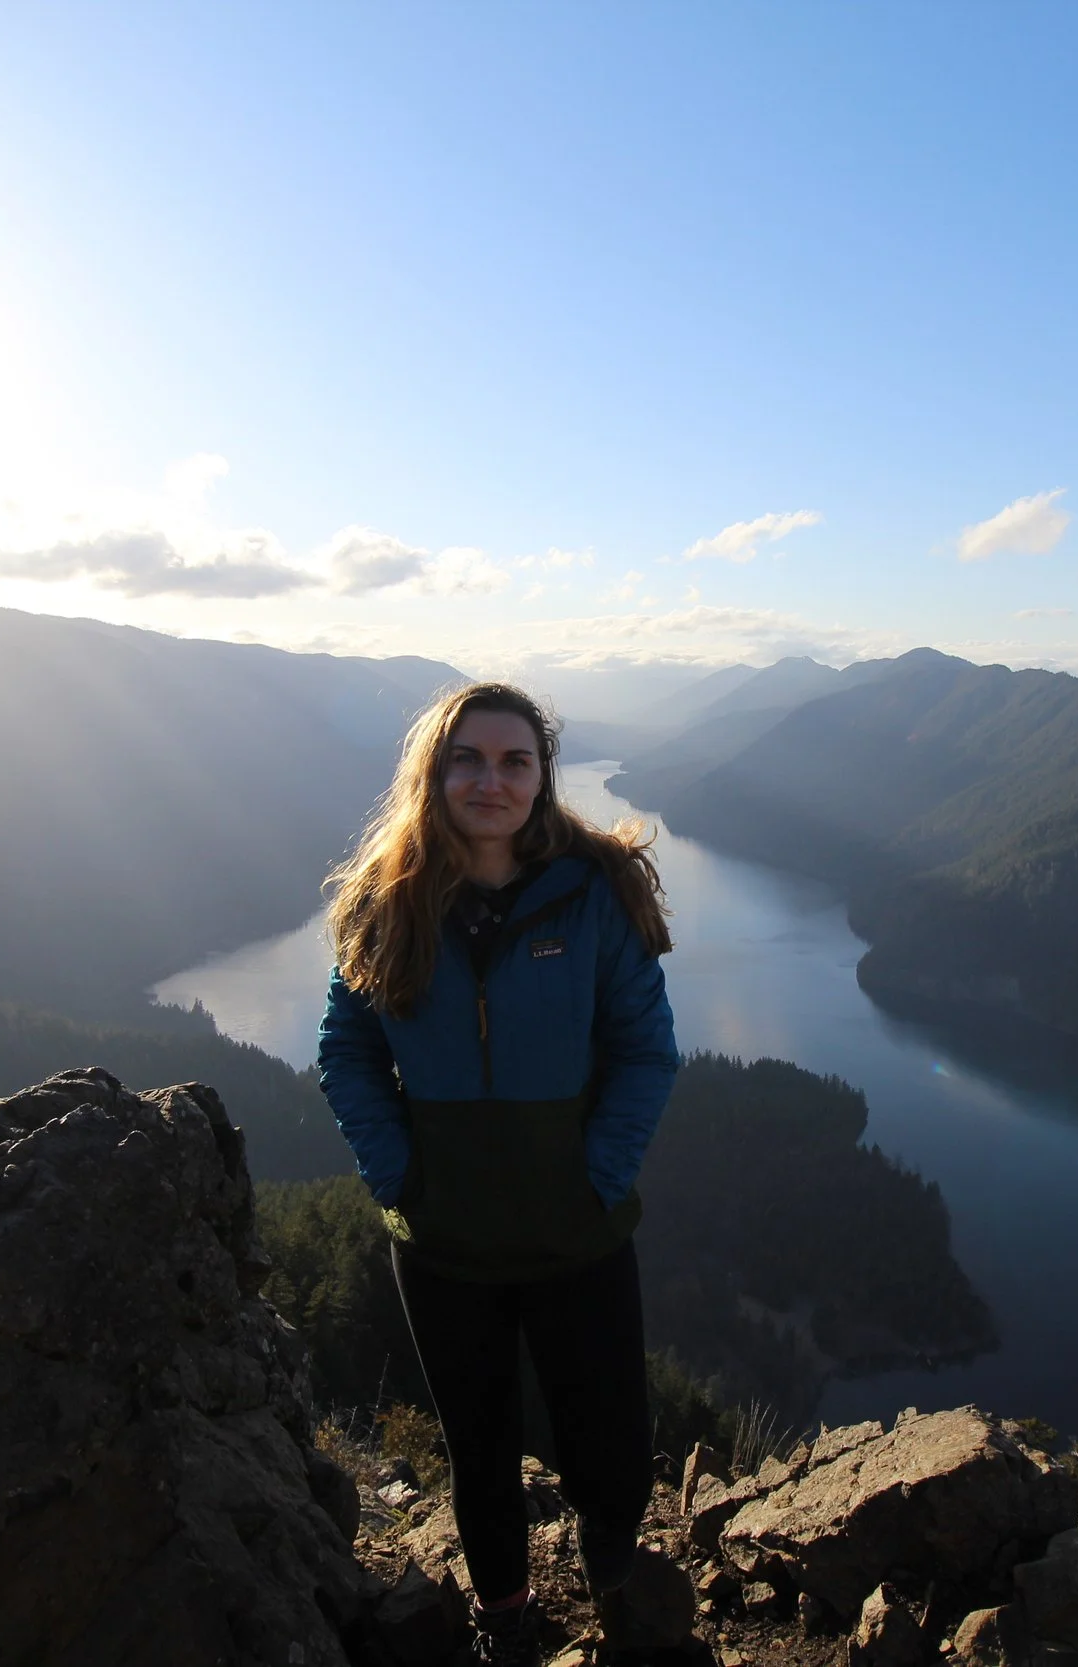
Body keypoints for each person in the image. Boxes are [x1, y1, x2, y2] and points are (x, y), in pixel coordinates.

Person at [317, 682, 681, 1666]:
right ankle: (506, 1620)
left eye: (513, 760)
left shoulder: (593, 892)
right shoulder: (385, 900)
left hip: (578, 1232)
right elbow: (346, 1048)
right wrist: (398, 1171)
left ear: (541, 778)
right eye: (466, 759)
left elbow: (646, 1046)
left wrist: (596, 1173)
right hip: (444, 1243)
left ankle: (625, 1610)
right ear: (431, 773)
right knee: (477, 1445)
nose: (490, 779)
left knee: (605, 1439)